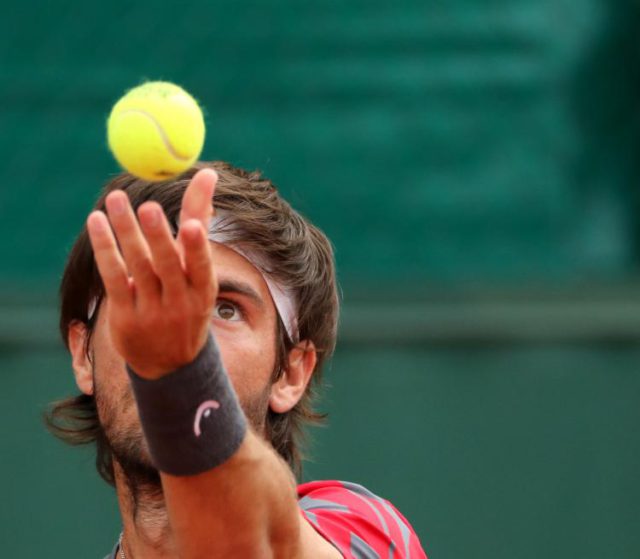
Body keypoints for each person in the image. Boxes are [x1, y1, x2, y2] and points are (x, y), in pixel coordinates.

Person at [46, 161, 427, 558]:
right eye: (144, 296)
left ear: (291, 373)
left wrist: (182, 380)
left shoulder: (363, 530)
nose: (176, 327)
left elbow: (263, 545)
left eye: (226, 310)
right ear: (83, 354)